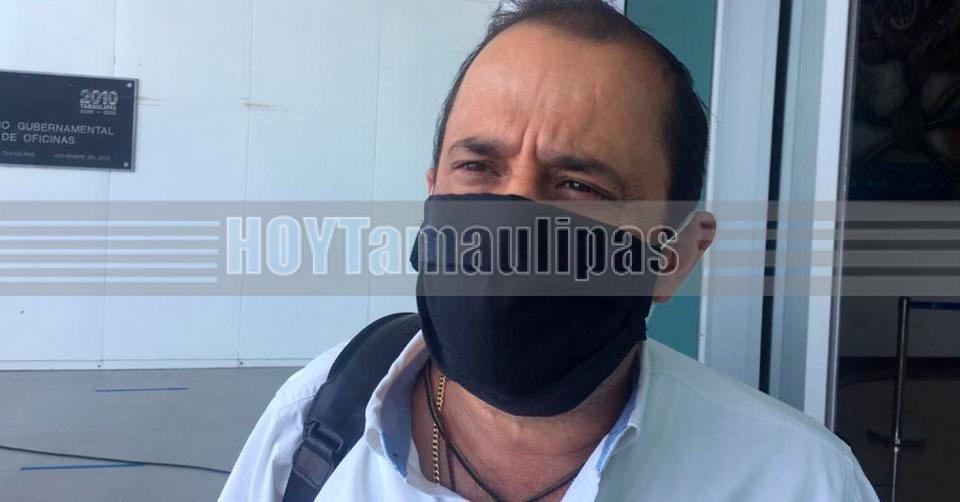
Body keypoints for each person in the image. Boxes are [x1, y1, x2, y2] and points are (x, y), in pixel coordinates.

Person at [219, 1, 879, 500]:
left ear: (674, 256)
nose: (511, 226)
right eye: (478, 168)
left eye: (579, 186)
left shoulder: (799, 481)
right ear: (431, 196)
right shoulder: (313, 425)